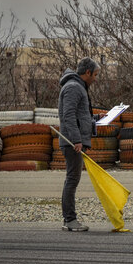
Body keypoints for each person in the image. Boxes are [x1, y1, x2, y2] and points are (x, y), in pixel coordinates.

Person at [58, 57, 100, 232]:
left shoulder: (78, 86)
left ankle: (69, 219)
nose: (96, 78)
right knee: (72, 179)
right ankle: (70, 220)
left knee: (72, 179)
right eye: (95, 75)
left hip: (74, 141)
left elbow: (80, 115)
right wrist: (77, 140)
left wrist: (96, 120)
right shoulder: (74, 87)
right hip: (71, 143)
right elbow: (68, 116)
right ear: (87, 72)